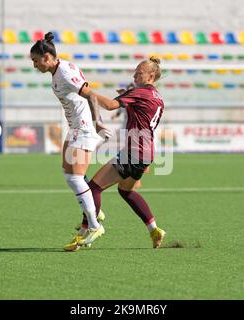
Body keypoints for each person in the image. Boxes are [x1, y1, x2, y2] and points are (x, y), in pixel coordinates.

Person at [64, 57, 166, 251]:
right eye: (135, 71)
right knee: (125, 191)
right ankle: (154, 229)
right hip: (146, 151)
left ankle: (87, 231)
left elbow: (110, 105)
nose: (135, 74)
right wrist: (128, 97)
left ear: (151, 75)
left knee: (93, 187)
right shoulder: (156, 96)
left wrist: (88, 93)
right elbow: (142, 113)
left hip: (134, 151)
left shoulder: (140, 92)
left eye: (139, 72)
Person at [30, 32, 110, 248]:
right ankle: (91, 217)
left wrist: (97, 122)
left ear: (47, 57)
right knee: (68, 173)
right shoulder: (59, 71)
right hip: (75, 128)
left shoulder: (64, 72)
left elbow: (91, 95)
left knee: (75, 178)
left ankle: (94, 225)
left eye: (36, 60)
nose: (34, 65)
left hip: (83, 128)